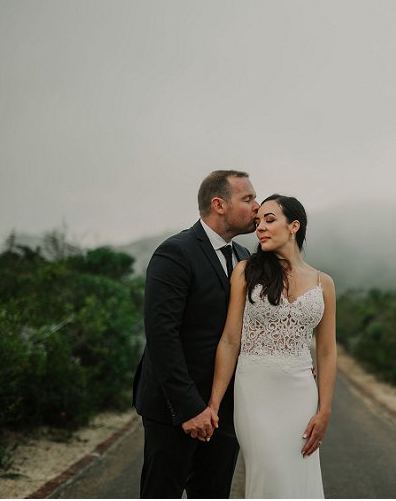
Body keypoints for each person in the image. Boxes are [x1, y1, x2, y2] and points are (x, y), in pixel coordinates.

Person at [132, 170, 260, 498]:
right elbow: (162, 335)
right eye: (247, 199)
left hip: (224, 409)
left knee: (214, 493)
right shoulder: (175, 253)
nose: (256, 207)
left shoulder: (244, 259)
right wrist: (189, 407)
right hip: (175, 409)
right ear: (219, 204)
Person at [208, 194, 337, 498]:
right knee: (271, 473)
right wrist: (214, 402)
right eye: (258, 222)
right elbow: (229, 340)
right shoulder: (245, 271)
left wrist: (325, 410)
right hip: (255, 391)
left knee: (297, 475)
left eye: (269, 220)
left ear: (294, 226)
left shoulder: (324, 283)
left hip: (301, 394)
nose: (260, 228)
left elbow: (327, 351)